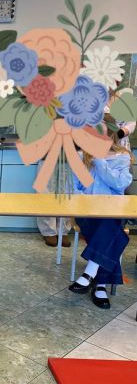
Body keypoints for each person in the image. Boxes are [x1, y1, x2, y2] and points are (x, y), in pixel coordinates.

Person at [68, 123, 133, 309]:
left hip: (113, 212)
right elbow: (73, 188)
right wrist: (86, 203)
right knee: (115, 232)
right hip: (87, 213)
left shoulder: (122, 157)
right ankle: (100, 285)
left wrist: (99, 161)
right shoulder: (80, 157)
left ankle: (90, 274)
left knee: (110, 225)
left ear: (111, 136)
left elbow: (119, 184)